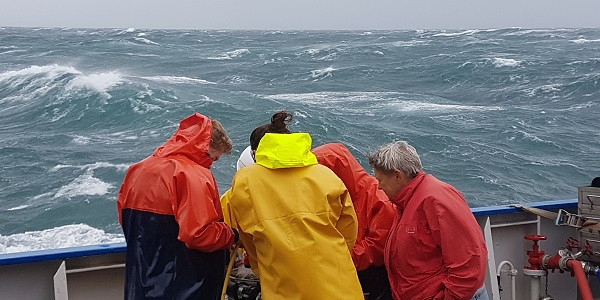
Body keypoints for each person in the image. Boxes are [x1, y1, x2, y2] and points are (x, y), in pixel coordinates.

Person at [224, 111, 364, 299]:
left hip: (283, 286)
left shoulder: (245, 181)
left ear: (256, 152)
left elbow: (247, 236)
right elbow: (348, 230)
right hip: (339, 283)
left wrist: (261, 268)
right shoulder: (326, 175)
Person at [117, 112, 238, 300]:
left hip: (140, 281)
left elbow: (125, 220)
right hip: (184, 285)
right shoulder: (192, 175)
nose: (212, 165)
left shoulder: (137, 169)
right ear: (206, 147)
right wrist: (231, 235)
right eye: (213, 158)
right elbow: (198, 233)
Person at [367, 141, 488, 300]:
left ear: (398, 175)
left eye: (380, 180)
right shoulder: (406, 201)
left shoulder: (436, 200)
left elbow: (469, 264)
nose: (379, 187)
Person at [312, 143, 395, 300]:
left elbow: (376, 248)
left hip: (368, 271)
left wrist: (339, 260)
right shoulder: (335, 194)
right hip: (345, 262)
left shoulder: (379, 198)